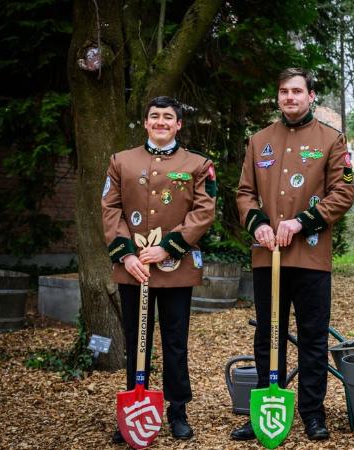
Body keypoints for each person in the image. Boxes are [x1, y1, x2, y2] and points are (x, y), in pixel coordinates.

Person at [231, 68, 354, 441]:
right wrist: (258, 225)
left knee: (313, 338)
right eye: (284, 91)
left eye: (297, 91)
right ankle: (266, 411)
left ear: (311, 96)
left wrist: (302, 222)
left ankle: (312, 414)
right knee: (269, 335)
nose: (290, 97)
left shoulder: (332, 140)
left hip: (311, 257)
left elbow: (343, 193)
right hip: (267, 256)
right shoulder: (259, 140)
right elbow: (244, 193)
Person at [102, 96, 217, 443]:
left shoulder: (198, 164)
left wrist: (167, 246)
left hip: (175, 267)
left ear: (179, 124)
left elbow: (203, 211)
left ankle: (177, 410)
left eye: (169, 117)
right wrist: (127, 255)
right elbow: (110, 208)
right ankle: (135, 410)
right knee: (137, 340)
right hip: (133, 268)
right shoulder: (121, 161)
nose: (161, 122)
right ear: (146, 122)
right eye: (155, 116)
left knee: (175, 341)